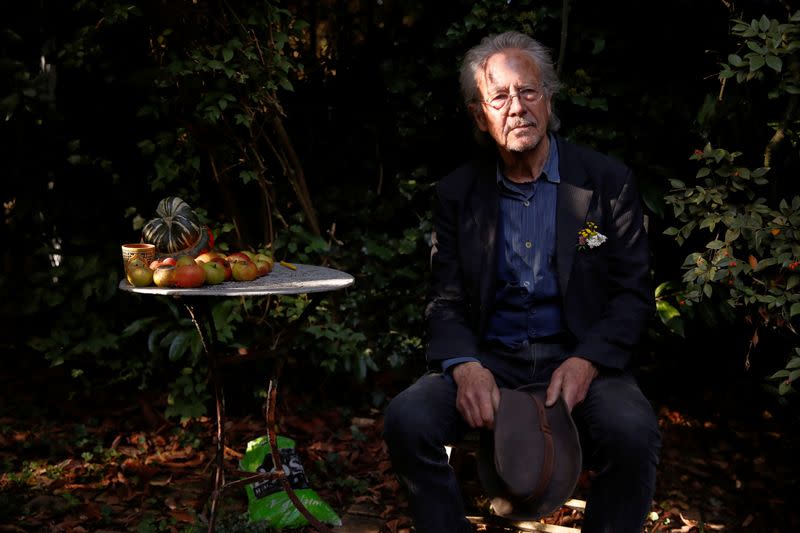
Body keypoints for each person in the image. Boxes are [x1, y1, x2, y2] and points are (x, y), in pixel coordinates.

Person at [382, 30, 662, 533]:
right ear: (479, 115)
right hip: (491, 359)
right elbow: (444, 299)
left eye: (528, 92)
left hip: (581, 357)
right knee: (408, 419)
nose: (517, 107)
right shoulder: (457, 193)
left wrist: (587, 361)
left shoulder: (606, 182)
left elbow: (632, 296)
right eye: (499, 96)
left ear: (548, 100)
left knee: (632, 430)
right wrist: (465, 365)